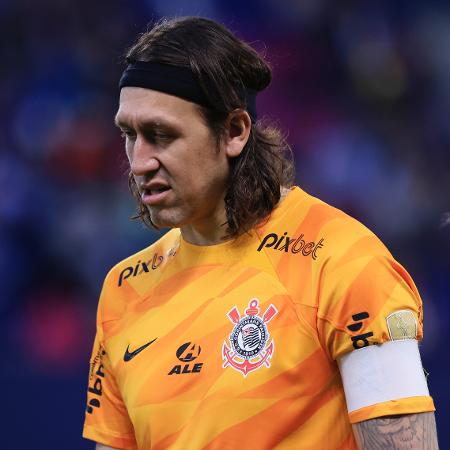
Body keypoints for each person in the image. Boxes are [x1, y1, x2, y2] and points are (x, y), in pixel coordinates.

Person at [82, 16, 438, 450]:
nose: (139, 163)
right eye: (129, 135)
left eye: (161, 135)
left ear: (234, 132)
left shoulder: (345, 263)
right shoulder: (124, 289)